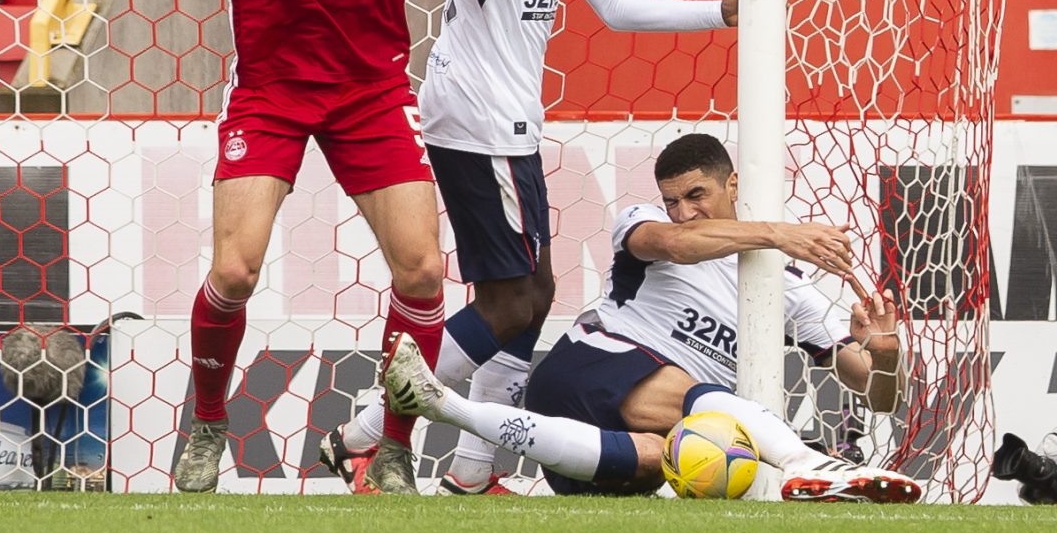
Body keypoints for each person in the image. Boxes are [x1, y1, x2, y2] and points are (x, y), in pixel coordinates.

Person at [320, 0, 738, 495]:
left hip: (510, 123)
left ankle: (469, 473)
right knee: (512, 304)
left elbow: (615, 4)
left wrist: (718, 14)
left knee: (535, 297)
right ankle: (364, 435)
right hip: (475, 118)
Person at [138, 0, 535, 494]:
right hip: (272, 89)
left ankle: (391, 449)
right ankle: (209, 422)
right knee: (234, 271)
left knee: (422, 271)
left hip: (370, 87)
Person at [380, 133, 921, 502]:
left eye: (697, 195)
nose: (683, 212)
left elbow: (877, 396)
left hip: (608, 446)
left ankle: (442, 404)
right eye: (673, 200)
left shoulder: (790, 290)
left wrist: (885, 350)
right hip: (588, 371)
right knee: (696, 399)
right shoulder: (642, 223)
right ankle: (804, 461)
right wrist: (779, 234)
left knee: (664, 457)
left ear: (733, 185)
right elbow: (677, 243)